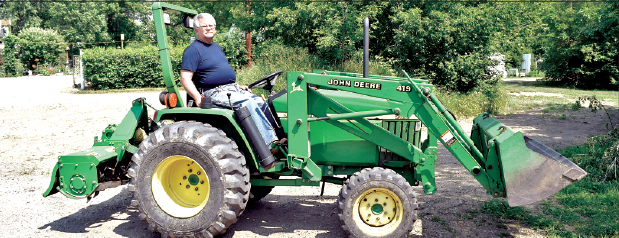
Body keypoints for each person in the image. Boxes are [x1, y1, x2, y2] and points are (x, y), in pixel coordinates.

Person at [180, 13, 278, 148]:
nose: (209, 28)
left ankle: (279, 139)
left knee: (261, 102)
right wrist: (197, 97)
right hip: (212, 92)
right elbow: (185, 78)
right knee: (247, 103)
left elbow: (219, 71)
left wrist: (237, 86)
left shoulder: (216, 47)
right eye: (204, 26)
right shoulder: (193, 50)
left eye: (211, 25)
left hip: (231, 89)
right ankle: (269, 146)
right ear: (196, 29)